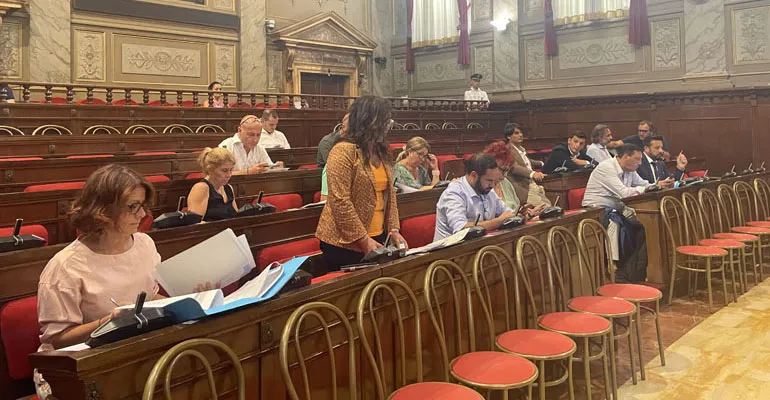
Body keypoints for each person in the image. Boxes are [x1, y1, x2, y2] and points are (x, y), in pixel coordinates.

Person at [35, 165, 162, 397]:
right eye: (133, 207)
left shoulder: (144, 244)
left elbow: (151, 295)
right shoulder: (65, 266)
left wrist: (193, 299)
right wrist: (107, 322)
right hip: (74, 368)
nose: (143, 215)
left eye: (143, 205)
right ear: (102, 210)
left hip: (127, 351)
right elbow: (58, 340)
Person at [315, 96, 408, 271]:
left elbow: (390, 194)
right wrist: (363, 239)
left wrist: (394, 229)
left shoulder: (381, 151)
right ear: (369, 121)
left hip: (378, 235)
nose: (387, 126)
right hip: (343, 242)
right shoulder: (342, 151)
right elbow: (340, 201)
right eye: (384, 121)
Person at [582, 145, 668, 282]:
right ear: (626, 157)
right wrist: (646, 188)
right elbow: (624, 193)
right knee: (615, 222)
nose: (640, 163)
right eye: (637, 159)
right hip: (595, 209)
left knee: (645, 224)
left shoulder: (630, 169)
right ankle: (613, 265)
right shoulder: (607, 168)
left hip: (617, 207)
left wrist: (657, 185)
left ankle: (635, 268)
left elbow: (643, 184)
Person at [434, 153, 517, 241]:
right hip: (451, 248)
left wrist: (518, 214)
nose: (493, 185)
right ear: (473, 175)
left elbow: (508, 213)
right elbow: (462, 229)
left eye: (494, 181)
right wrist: (498, 221)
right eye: (489, 180)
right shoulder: (454, 193)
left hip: (480, 244)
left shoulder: (488, 190)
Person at [504, 122, 551, 207]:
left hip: (532, 184)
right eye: (516, 133)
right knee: (545, 208)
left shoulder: (520, 149)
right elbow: (515, 168)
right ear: (508, 136)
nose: (520, 135)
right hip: (523, 188)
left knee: (549, 206)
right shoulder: (507, 150)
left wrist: (542, 163)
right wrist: (533, 173)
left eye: (521, 132)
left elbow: (527, 162)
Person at [218, 115, 283, 175]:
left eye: (258, 135)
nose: (255, 140)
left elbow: (268, 167)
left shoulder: (259, 148)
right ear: (240, 130)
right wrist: (249, 171)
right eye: (251, 135)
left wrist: (275, 168)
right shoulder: (227, 145)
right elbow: (220, 174)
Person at [186, 147, 238, 221]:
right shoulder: (201, 188)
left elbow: (236, 217)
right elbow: (195, 223)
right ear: (210, 169)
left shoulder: (228, 188)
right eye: (224, 170)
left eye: (231, 170)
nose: (229, 175)